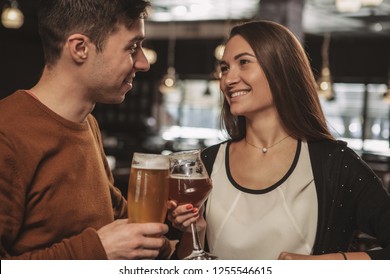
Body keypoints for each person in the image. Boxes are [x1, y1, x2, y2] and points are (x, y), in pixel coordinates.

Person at [168, 20, 390, 260]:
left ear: (281, 69)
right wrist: (195, 231)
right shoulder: (208, 163)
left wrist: (327, 264)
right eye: (224, 68)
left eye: (243, 63)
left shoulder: (334, 164)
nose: (227, 80)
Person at [0, 0, 171, 260]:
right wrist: (97, 250)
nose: (144, 63)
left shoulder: (88, 123)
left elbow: (113, 215)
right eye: (133, 47)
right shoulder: (7, 133)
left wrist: (172, 229)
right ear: (80, 48)